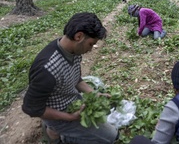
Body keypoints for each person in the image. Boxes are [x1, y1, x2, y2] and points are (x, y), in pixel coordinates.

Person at [22, 12, 119, 144]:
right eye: (91, 44)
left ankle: (56, 130)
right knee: (111, 137)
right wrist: (69, 117)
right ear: (79, 36)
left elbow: (76, 79)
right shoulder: (47, 69)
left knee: (110, 130)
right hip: (59, 114)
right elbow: (31, 108)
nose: (91, 49)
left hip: (72, 101)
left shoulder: (72, 50)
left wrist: (96, 94)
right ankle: (56, 134)